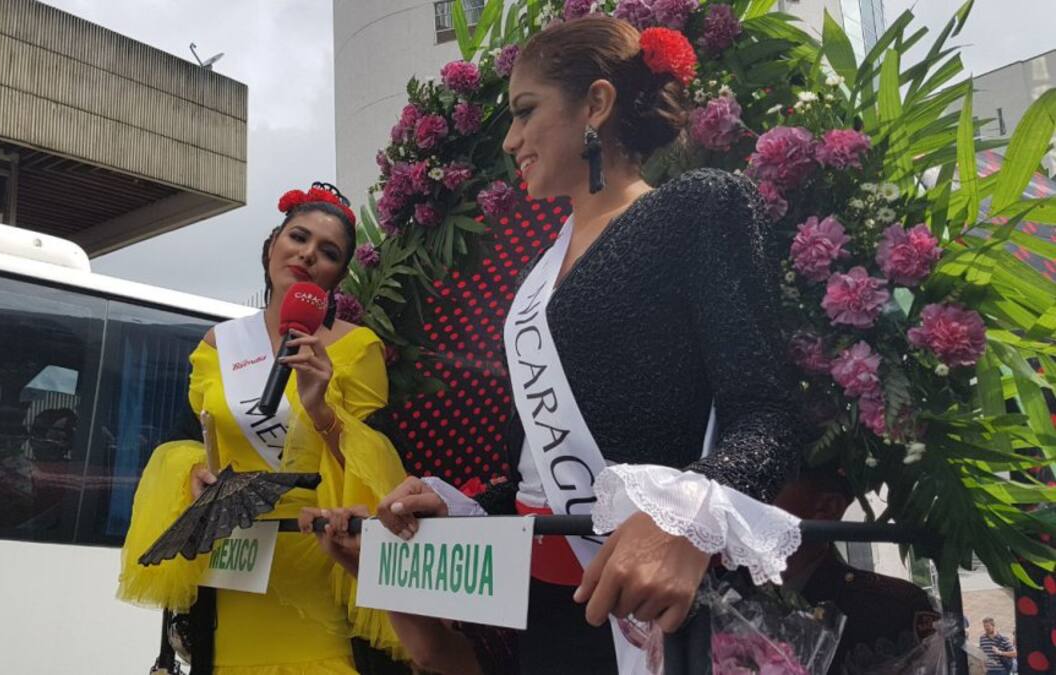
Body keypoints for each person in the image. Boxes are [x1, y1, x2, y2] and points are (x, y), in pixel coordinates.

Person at [340, 16, 805, 674]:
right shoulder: (539, 269)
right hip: (550, 613)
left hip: (657, 608)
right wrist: (465, 506)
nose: (510, 139)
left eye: (526, 111)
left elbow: (770, 414)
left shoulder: (698, 208)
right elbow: (545, 472)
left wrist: (685, 517)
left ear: (596, 104)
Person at [117, 183, 408, 674]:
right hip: (233, 564)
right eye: (299, 237)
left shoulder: (357, 350)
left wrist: (321, 410)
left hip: (316, 558)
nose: (308, 254)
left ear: (337, 277)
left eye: (329, 252)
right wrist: (192, 470)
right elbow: (189, 438)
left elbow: (379, 469)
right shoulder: (219, 344)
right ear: (272, 243)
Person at [773, 468, 939, 673]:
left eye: (767, 484)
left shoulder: (890, 609)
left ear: (828, 507)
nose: (738, 500)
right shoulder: (728, 589)